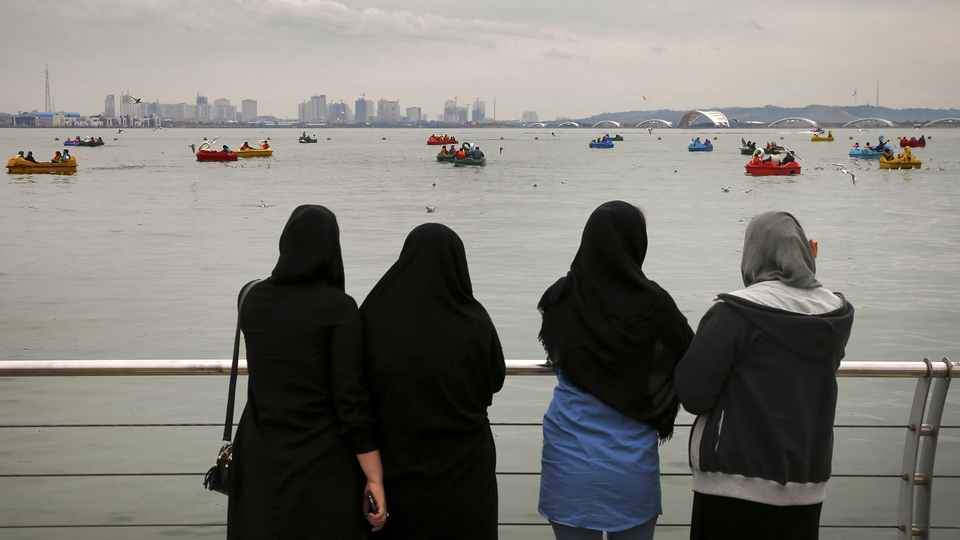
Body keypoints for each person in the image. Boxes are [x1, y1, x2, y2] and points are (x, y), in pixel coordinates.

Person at [675, 211, 854, 540]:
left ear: (752, 252)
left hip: (731, 485)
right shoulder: (836, 314)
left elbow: (693, 394)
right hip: (807, 485)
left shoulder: (732, 314)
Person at [227, 205, 388, 539]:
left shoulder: (250, 297)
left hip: (258, 456)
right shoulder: (338, 308)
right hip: (321, 461)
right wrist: (374, 478)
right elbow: (350, 400)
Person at [538, 201, 695, 540]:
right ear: (635, 243)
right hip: (630, 463)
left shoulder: (562, 297)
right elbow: (689, 357)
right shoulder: (656, 304)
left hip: (567, 456)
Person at [361, 223, 505, 540]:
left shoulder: (374, 316)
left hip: (397, 465)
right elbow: (494, 381)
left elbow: (359, 389)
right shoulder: (475, 320)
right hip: (466, 470)